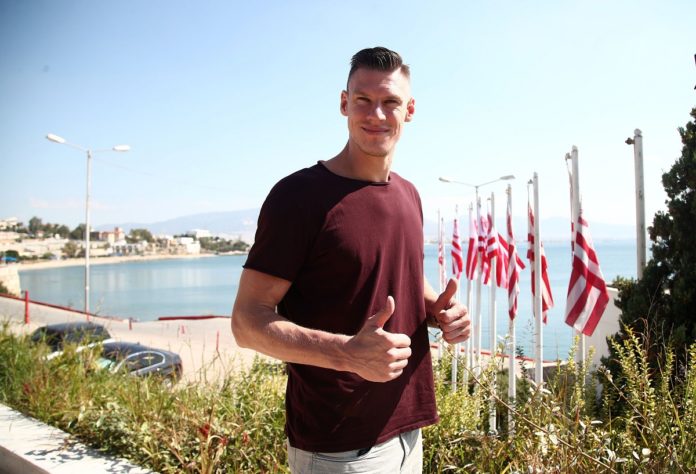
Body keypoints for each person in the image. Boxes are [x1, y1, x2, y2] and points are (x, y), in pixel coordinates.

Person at [232, 46, 470, 473]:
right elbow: (247, 323)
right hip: (338, 448)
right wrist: (348, 354)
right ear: (344, 103)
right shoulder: (298, 197)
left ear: (410, 110)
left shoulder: (409, 194)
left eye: (390, 101)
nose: (376, 114)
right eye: (363, 100)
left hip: (408, 432)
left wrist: (439, 311)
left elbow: (399, 277)